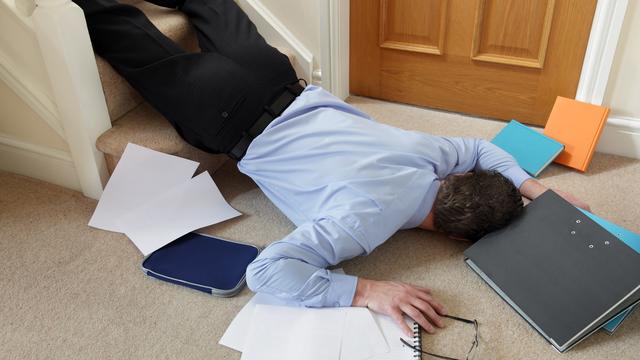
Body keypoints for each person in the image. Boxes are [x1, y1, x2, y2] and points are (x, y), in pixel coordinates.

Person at [77, 0, 590, 337]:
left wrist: (535, 187)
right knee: (116, 25)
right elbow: (266, 272)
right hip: (223, 113)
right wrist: (366, 289)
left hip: (275, 76)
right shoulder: (361, 224)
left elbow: (481, 146)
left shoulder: (428, 153)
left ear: (456, 180)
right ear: (454, 240)